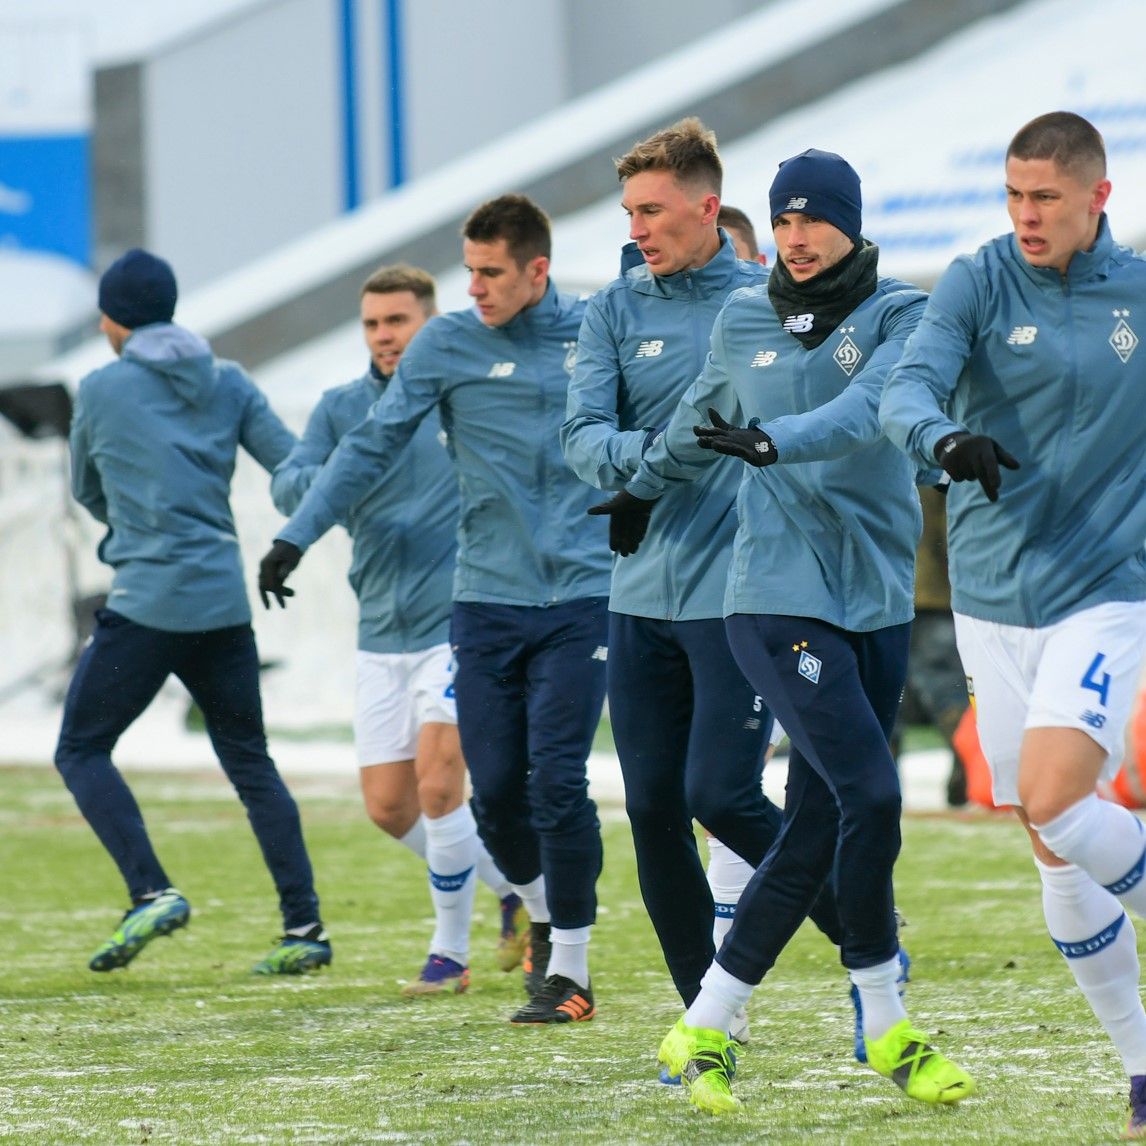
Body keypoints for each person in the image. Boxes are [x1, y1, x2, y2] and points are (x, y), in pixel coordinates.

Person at [593, 149, 974, 1114]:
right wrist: (640, 487)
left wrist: (775, 441)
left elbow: (868, 413)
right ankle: (884, 1017)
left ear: (848, 224)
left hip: (875, 598)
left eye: (814, 223)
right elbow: (695, 417)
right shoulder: (743, 316)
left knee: (816, 820)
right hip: (770, 592)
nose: (796, 240)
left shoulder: (899, 313)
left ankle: (710, 1024)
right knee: (872, 792)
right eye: (784, 222)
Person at [258, 195, 612, 1024]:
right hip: (484, 603)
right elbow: (372, 444)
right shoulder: (448, 344)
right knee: (493, 797)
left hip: (582, 598)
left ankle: (570, 971)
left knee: (557, 781)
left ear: (538, 270)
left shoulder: (597, 331)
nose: (476, 289)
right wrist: (298, 535)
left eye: (491, 273)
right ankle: (543, 913)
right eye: (469, 272)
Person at [880, 110, 1146, 1138]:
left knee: (1054, 794)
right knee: (1045, 834)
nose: (1025, 216)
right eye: (1013, 195)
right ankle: (1138, 1067)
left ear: (1097, 198)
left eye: (1045, 198)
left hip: (1107, 589)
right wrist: (942, 439)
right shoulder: (978, 279)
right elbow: (908, 384)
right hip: (993, 604)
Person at [561, 119, 846, 1057]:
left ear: (705, 207)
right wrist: (650, 464)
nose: (637, 227)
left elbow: (766, 432)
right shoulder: (609, 312)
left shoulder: (764, 305)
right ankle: (706, 1019)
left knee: (721, 795)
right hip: (637, 596)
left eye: (651, 209)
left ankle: (864, 937)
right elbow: (580, 440)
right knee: (650, 811)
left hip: (738, 594)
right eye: (630, 212)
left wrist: (641, 475)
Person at [59, 248, 330, 975]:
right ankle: (304, 929)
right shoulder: (228, 381)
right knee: (249, 761)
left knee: (80, 748)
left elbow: (84, 489)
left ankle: (149, 888)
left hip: (146, 600)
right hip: (220, 601)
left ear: (113, 320)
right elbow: (297, 468)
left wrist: (132, 527)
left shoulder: (101, 387)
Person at [270, 264, 527, 996]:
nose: (384, 336)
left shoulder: (465, 396)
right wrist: (343, 479)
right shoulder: (340, 407)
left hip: (459, 618)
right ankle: (515, 889)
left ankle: (449, 956)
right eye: (373, 324)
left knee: (441, 784)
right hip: (380, 631)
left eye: (398, 322)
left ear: (429, 321)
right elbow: (292, 480)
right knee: (389, 808)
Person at [890, 484, 971, 807]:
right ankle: (970, 772)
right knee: (949, 695)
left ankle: (882, 789)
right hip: (936, 593)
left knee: (884, 700)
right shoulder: (933, 442)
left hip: (884, 595)